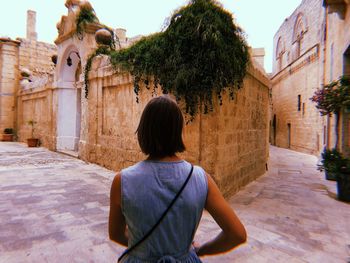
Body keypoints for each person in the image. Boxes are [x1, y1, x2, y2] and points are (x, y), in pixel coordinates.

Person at [109, 95, 246, 262]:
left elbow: (115, 234)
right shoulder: (200, 178)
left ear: (143, 130)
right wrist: (201, 250)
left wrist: (141, 246)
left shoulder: (122, 181)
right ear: (178, 131)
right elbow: (237, 234)